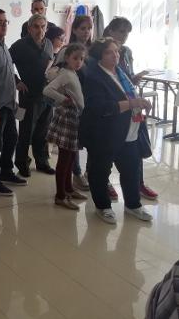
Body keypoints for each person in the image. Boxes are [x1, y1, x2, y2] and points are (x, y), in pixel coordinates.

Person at [79, 38, 153, 224]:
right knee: (100, 171)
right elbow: (101, 107)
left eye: (117, 51)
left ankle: (133, 205)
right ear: (99, 56)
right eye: (109, 52)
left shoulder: (121, 72)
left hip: (129, 131)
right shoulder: (93, 76)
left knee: (131, 169)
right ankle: (103, 206)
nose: (115, 55)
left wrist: (139, 103)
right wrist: (132, 103)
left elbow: (128, 93)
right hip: (104, 133)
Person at [104, 16, 158, 201]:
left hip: (132, 106)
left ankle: (138, 183)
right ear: (110, 31)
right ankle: (104, 182)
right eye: (121, 31)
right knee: (108, 149)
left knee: (135, 148)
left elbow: (127, 77)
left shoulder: (126, 51)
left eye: (127, 32)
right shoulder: (101, 50)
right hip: (113, 107)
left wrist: (135, 79)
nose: (124, 36)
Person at [0, 9, 27, 196]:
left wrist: (17, 81)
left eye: (5, 21)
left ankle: (6, 171)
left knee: (11, 138)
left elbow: (8, 71)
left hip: (9, 104)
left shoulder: (3, 46)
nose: (4, 25)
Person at [10, 14, 56, 176]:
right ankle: (22, 163)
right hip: (28, 97)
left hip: (47, 96)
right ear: (29, 28)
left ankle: (42, 162)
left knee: (43, 132)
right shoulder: (19, 46)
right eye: (36, 26)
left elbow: (51, 65)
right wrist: (16, 81)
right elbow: (6, 64)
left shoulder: (49, 44)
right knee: (25, 132)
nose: (40, 30)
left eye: (43, 26)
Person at [43, 43, 88, 210]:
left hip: (74, 118)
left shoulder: (72, 73)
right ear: (67, 58)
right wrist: (64, 99)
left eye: (81, 59)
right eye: (75, 58)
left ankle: (69, 188)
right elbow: (47, 90)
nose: (78, 61)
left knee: (70, 157)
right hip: (67, 119)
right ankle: (60, 196)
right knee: (64, 159)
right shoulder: (66, 74)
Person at [55, 14, 94, 192]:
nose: (86, 32)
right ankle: (74, 175)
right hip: (72, 105)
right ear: (75, 30)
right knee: (71, 147)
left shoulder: (93, 50)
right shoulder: (67, 50)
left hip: (89, 102)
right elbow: (54, 74)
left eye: (89, 28)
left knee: (83, 140)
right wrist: (64, 96)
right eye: (82, 28)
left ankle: (85, 174)